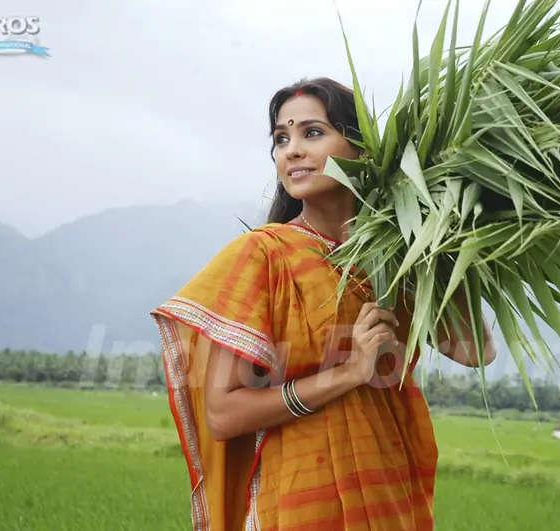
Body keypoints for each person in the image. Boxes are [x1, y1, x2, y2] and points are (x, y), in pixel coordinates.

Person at [151, 77, 497, 531]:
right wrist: (349, 373)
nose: (291, 150)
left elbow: (476, 352)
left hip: (391, 490)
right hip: (297, 500)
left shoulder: (397, 259)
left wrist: (437, 240)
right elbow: (223, 413)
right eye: (281, 138)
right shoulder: (264, 256)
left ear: (363, 149)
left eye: (312, 133)